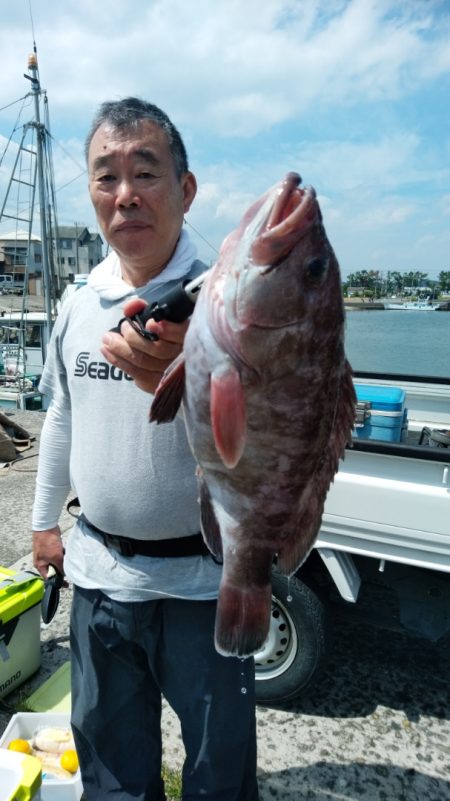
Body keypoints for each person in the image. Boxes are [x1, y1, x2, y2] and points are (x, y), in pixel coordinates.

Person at [32, 97, 260, 801]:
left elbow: (277, 431)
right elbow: (62, 413)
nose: (125, 193)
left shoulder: (234, 299)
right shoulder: (78, 301)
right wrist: (44, 522)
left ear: (185, 190)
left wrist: (193, 377)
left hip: (205, 582)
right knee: (110, 767)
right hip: (100, 577)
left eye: (145, 172)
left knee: (219, 773)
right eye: (106, 176)